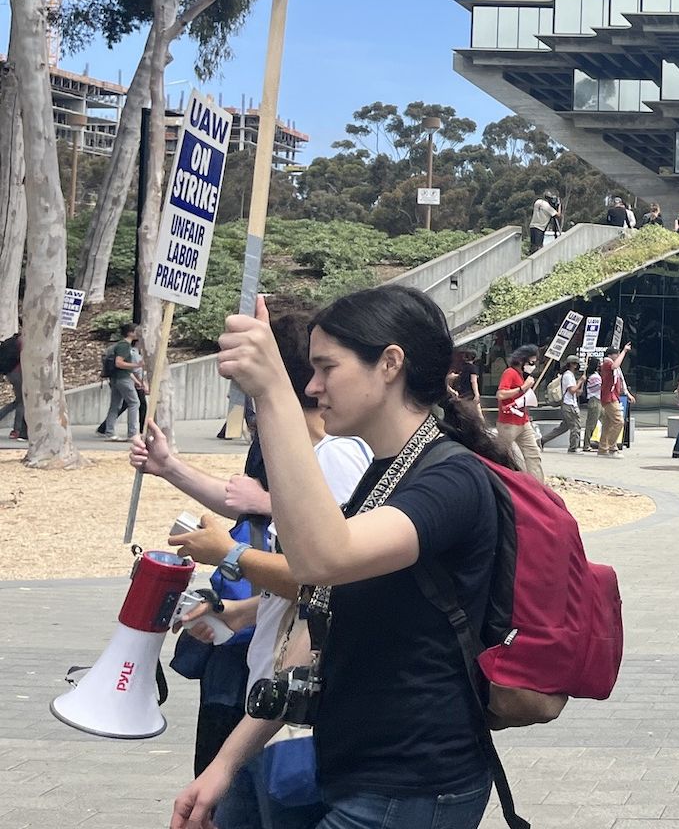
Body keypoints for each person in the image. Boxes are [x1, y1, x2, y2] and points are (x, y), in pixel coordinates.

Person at [172, 287, 512, 829]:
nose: (312, 386)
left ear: (390, 364)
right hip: (345, 770)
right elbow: (314, 639)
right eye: (306, 372)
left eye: (326, 367)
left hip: (413, 787)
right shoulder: (383, 475)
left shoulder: (451, 478)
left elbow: (320, 560)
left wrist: (271, 391)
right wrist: (225, 764)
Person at [137, 305, 373, 813]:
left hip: (295, 705)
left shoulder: (334, 455)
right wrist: (239, 612)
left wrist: (230, 553)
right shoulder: (314, 455)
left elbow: (331, 580)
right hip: (270, 692)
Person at [495, 344, 544, 481]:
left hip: (523, 422)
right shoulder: (510, 373)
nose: (533, 366)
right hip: (508, 423)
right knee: (502, 456)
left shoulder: (521, 375)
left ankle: (538, 487)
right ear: (522, 360)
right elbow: (501, 394)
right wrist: (523, 388)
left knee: (533, 455)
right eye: (531, 362)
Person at [97, 320, 146, 440]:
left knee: (115, 405)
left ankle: (109, 432)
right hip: (123, 379)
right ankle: (133, 433)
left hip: (116, 379)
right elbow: (119, 363)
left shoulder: (119, 345)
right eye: (136, 331)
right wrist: (137, 366)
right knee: (135, 403)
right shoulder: (124, 346)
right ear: (130, 333)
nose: (138, 334)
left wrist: (136, 380)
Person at [599, 344, 633, 457]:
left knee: (608, 424)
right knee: (619, 421)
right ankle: (612, 447)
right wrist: (624, 351)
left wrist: (627, 394)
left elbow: (621, 380)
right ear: (610, 355)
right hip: (610, 397)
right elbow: (615, 366)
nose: (618, 355)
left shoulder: (609, 364)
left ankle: (603, 449)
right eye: (616, 353)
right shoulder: (607, 363)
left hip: (611, 396)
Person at [559, 356, 585, 453]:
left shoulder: (570, 375)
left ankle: (542, 440)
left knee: (562, 428)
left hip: (570, 403)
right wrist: (580, 381)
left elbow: (577, 392)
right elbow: (572, 390)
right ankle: (573, 447)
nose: (576, 366)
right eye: (574, 364)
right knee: (576, 426)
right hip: (569, 404)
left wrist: (580, 384)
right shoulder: (568, 375)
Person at [0, 331, 23, 440]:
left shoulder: (14, 339)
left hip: (10, 373)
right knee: (22, 402)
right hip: (18, 374)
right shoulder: (24, 341)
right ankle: (17, 430)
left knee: (18, 401)